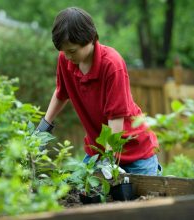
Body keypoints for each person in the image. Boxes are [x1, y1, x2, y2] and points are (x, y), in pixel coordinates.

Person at [36, 7, 161, 178]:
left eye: (72, 51)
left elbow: (116, 117)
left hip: (135, 154)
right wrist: (42, 129)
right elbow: (61, 92)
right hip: (98, 152)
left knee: (145, 201)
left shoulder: (111, 64)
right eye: (63, 51)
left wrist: (109, 161)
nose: (67, 56)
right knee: (82, 194)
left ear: (90, 39)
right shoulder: (65, 60)